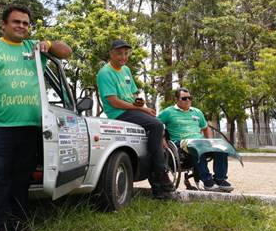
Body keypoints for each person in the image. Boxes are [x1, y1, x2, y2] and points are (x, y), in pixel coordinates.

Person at [0, 3, 72, 231]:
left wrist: (49, 44)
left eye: (25, 23)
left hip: (31, 128)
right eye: (16, 22)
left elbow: (66, 52)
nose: (21, 26)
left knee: (21, 181)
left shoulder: (34, 48)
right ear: (4, 24)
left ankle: (19, 226)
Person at [96, 40, 174, 199]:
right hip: (118, 112)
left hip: (132, 109)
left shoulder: (126, 70)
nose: (123, 57)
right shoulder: (105, 73)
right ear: (111, 53)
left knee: (160, 131)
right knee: (157, 125)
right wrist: (141, 109)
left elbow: (134, 94)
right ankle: (161, 171)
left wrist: (142, 105)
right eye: (119, 53)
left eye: (126, 53)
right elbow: (113, 101)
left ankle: (160, 189)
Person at [158, 88, 234, 192]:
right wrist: (162, 138)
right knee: (196, 146)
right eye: (184, 98)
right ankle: (207, 181)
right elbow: (156, 124)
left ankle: (220, 179)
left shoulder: (197, 112)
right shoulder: (168, 112)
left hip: (200, 141)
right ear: (176, 99)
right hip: (180, 142)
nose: (188, 100)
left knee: (221, 148)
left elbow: (205, 127)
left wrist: (210, 141)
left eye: (190, 98)